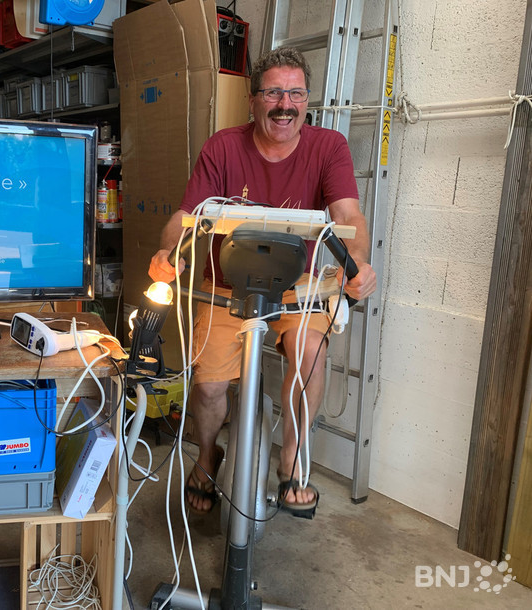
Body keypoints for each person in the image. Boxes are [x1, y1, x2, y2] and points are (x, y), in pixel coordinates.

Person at [148, 47, 377, 515]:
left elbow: (350, 217)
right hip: (226, 287)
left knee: (310, 354)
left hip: (297, 287)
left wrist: (356, 264)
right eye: (273, 93)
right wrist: (169, 253)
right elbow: (186, 217)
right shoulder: (223, 147)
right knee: (209, 386)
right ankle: (207, 455)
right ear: (253, 100)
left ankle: (291, 458)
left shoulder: (329, 147)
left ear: (307, 100)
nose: (285, 105)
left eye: (296, 94)